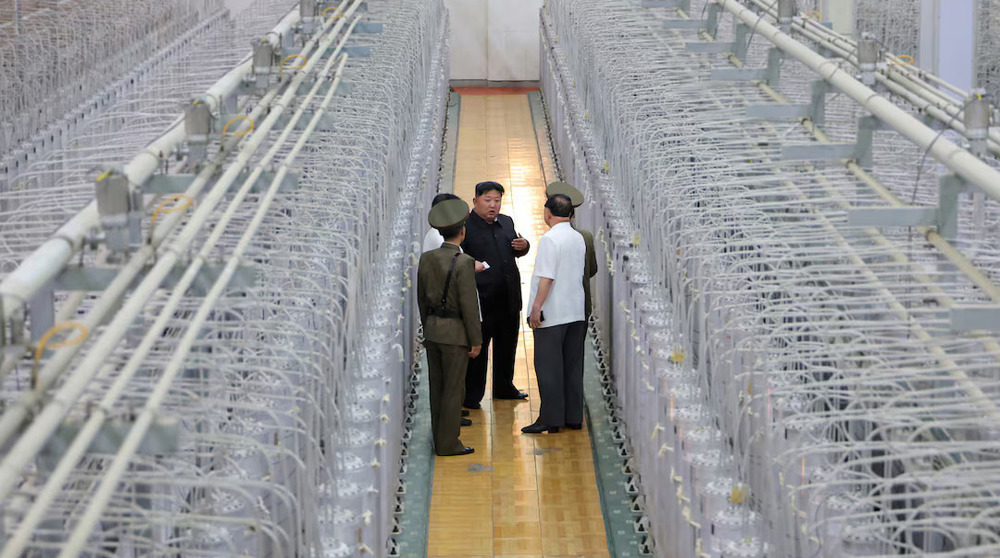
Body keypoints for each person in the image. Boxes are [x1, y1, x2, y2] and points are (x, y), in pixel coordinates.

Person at [417, 199, 483, 456]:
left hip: (433, 330)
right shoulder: (463, 261)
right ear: (462, 231)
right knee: (455, 389)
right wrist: (475, 339)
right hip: (456, 334)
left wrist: (428, 326)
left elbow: (421, 299)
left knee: (437, 388)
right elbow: (469, 305)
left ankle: (438, 437)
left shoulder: (427, 258)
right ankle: (449, 443)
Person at [460, 181, 530, 409]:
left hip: (508, 298)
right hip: (482, 300)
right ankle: (472, 395)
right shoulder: (465, 227)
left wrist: (524, 246)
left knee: (507, 346)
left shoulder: (506, 222)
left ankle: (504, 386)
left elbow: (513, 250)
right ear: (475, 201)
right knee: (478, 351)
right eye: (487, 200)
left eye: (497, 200)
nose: (493, 205)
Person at [522, 194, 586, 434]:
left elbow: (547, 277)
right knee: (572, 367)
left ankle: (550, 419)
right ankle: (572, 416)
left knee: (548, 369)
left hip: (554, 314)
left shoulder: (550, 239)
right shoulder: (578, 237)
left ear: (548, 213)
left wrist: (536, 308)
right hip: (575, 312)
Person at [545, 181, 598, 321]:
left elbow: (546, 278)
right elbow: (592, 270)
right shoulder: (586, 236)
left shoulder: (549, 239)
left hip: (556, 310)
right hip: (580, 307)